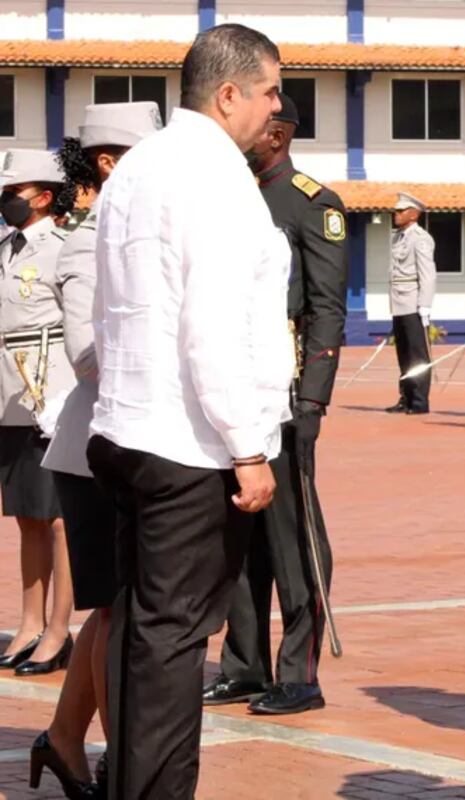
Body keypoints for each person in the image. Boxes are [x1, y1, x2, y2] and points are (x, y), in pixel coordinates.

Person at [87, 24, 291, 799]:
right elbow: (212, 326)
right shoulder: (215, 177)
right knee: (173, 643)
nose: (277, 107)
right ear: (229, 92)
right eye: (269, 90)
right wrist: (247, 446)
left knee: (143, 631)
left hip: (130, 425)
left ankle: (126, 784)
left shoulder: (138, 166)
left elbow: (114, 307)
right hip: (188, 441)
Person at [29, 102, 161, 800]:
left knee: (112, 610)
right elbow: (87, 354)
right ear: (110, 162)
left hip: (135, 442)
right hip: (96, 450)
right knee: (117, 612)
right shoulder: (85, 241)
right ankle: (122, 766)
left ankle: (62, 739)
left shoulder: (138, 229)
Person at [202, 93, 348, 716]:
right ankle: (245, 664)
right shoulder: (227, 196)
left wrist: (312, 398)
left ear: (280, 133)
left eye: (263, 124)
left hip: (287, 391)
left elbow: (326, 305)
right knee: (238, 529)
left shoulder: (311, 202)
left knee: (292, 536)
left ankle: (300, 672)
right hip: (236, 386)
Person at [0, 149, 77, 679]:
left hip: (51, 393)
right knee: (26, 514)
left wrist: (64, 400)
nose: (8, 201)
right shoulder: (5, 246)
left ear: (45, 196)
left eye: (16, 191)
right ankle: (29, 623)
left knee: (58, 520)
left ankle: (58, 629)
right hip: (9, 394)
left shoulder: (64, 249)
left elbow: (80, 327)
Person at [385, 192, 436, 415]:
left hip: (413, 302)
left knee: (417, 355)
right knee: (404, 354)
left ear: (414, 214)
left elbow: (428, 273)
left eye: (401, 210)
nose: (396, 214)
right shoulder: (398, 237)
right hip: (399, 302)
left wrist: (424, 304)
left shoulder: (421, 238)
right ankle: (405, 396)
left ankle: (419, 401)